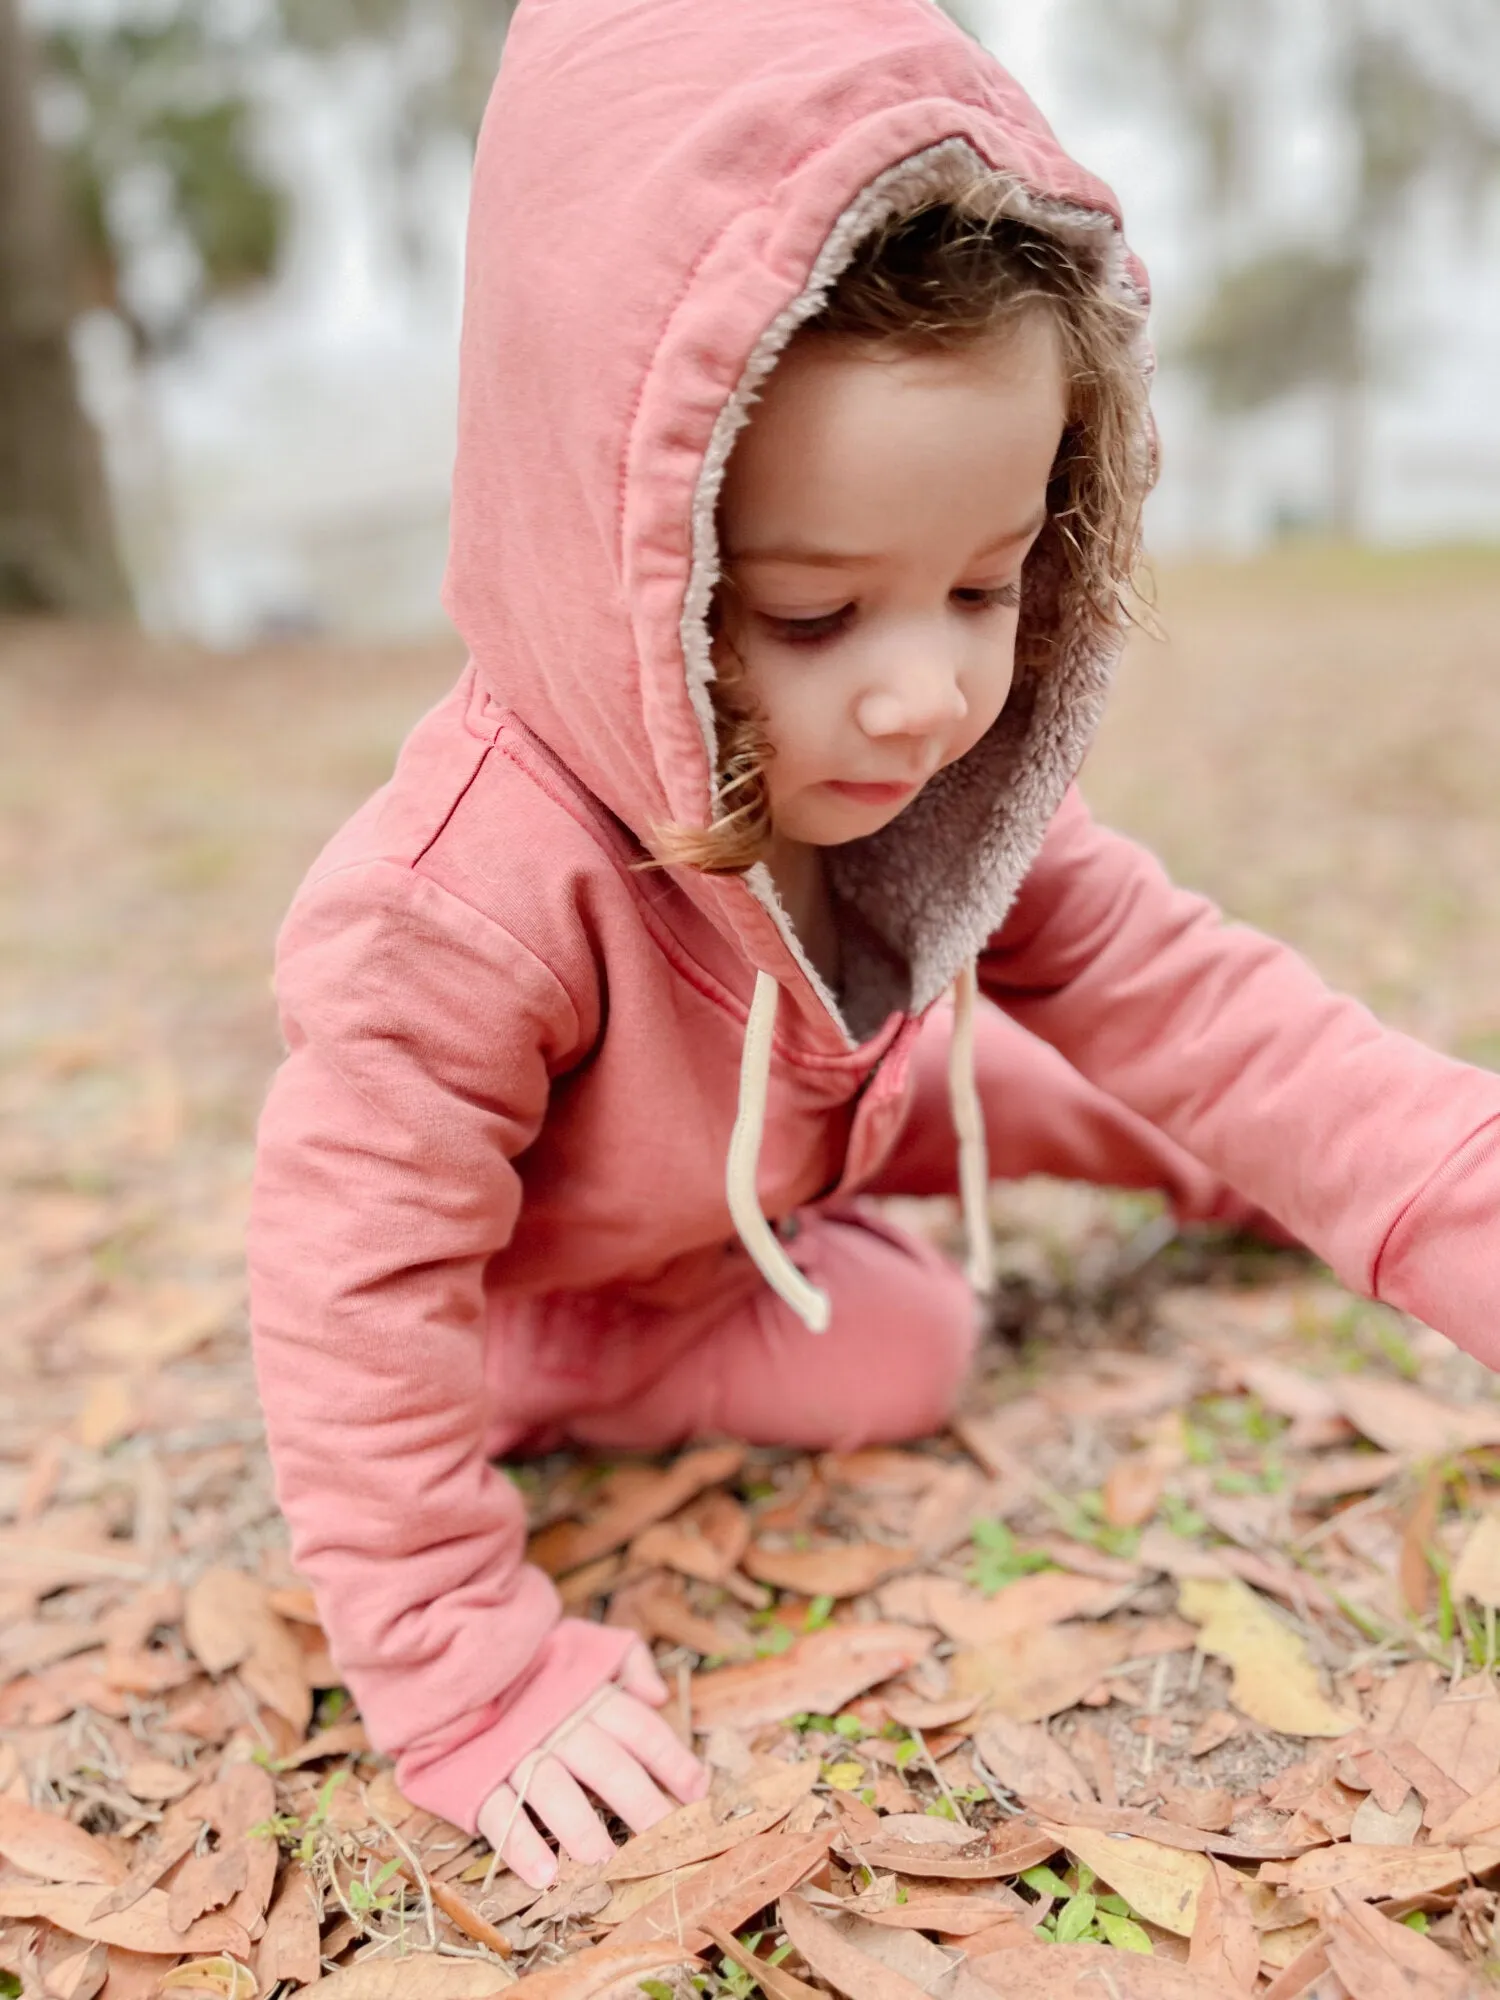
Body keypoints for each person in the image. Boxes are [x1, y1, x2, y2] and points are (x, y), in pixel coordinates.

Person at [247, 0, 1500, 1892]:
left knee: (1123, 1084)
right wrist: (465, 1666)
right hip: (588, 1270)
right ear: (636, 566)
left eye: (987, 585)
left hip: (797, 1120)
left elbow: (1231, 1024)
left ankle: (1225, 1197)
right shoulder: (457, 903)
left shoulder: (925, 777)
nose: (928, 698)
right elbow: (347, 1285)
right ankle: (596, 1351)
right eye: (819, 614)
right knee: (908, 1349)